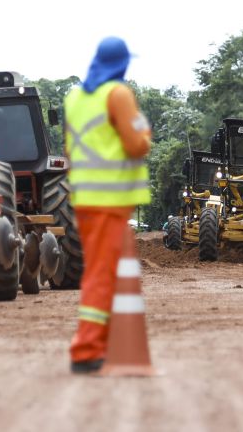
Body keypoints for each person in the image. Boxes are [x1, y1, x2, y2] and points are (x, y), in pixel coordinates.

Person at [64, 36, 151, 374]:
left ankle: (93, 344)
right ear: (121, 64)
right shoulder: (118, 95)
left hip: (85, 198)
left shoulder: (74, 98)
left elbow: (71, 151)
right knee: (102, 274)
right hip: (110, 200)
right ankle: (86, 350)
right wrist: (144, 129)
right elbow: (136, 145)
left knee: (98, 271)